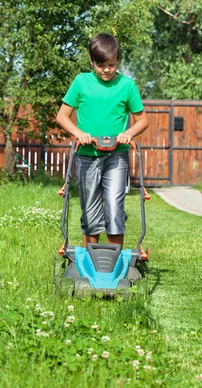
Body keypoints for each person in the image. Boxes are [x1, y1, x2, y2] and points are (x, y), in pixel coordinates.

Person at [56, 33, 148, 247]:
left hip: (117, 156)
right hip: (87, 156)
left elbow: (142, 121)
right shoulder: (81, 82)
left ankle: (114, 262)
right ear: (91, 61)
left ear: (118, 61)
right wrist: (78, 132)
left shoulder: (127, 85)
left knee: (115, 207)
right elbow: (62, 116)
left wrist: (129, 133)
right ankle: (90, 260)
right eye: (101, 65)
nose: (106, 69)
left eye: (111, 64)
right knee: (89, 208)